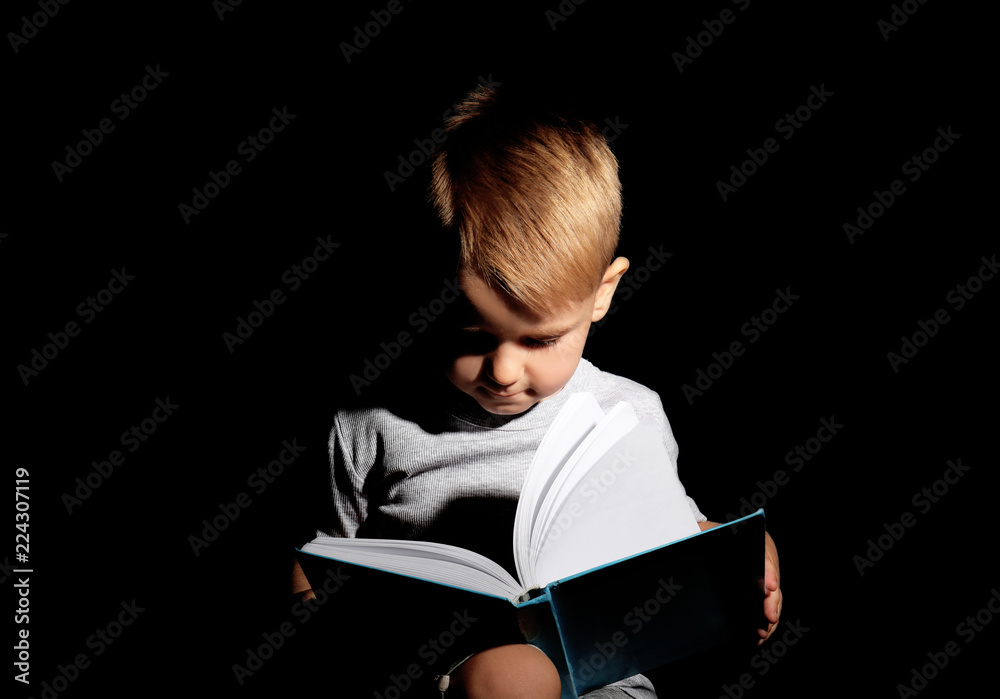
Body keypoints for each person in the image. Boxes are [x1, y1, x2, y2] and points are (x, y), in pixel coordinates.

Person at [291, 83, 782, 698]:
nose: (502, 371)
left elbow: (678, 535)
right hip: (453, 679)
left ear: (602, 294)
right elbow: (319, 561)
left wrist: (749, 558)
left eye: (541, 340)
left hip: (604, 677)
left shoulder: (627, 416)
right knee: (512, 674)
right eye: (471, 336)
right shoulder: (371, 428)